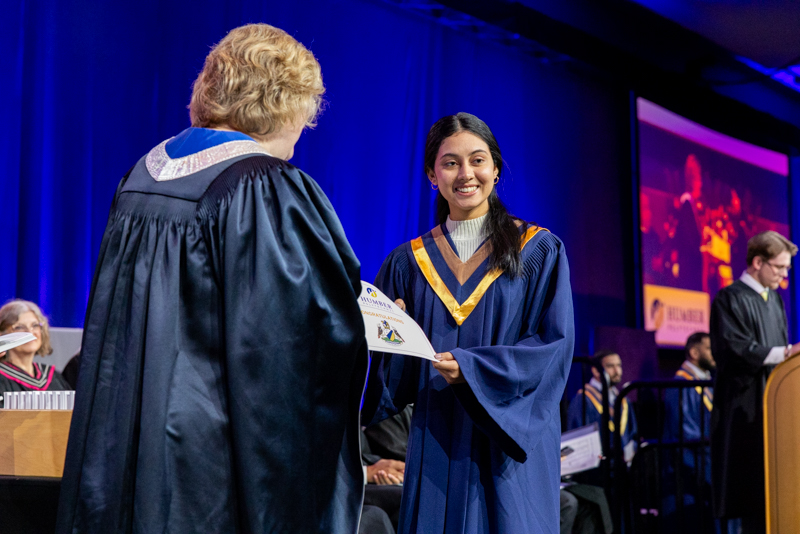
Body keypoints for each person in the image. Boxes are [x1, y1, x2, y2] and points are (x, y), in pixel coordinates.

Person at [56, 24, 368, 534]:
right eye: (307, 112)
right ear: (282, 101)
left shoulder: (141, 176)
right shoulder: (263, 186)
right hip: (207, 460)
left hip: (127, 439)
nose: (304, 129)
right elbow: (288, 344)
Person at [363, 112, 574, 533]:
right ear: (431, 174)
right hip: (437, 433)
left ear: (496, 169)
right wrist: (391, 334)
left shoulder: (538, 251)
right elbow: (391, 378)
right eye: (450, 162)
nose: (466, 174)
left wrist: (474, 370)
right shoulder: (408, 263)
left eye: (477, 160)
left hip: (509, 445)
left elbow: (552, 347)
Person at [710, 230, 797, 533]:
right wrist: (786, 352)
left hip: (774, 406)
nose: (784, 275)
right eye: (780, 267)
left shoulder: (774, 300)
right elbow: (732, 349)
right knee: (749, 491)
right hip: (742, 405)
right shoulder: (728, 298)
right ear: (758, 261)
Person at [662, 332, 715, 532]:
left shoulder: (705, 382)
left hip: (706, 464)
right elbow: (684, 431)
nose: (714, 354)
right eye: (709, 348)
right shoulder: (681, 384)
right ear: (694, 352)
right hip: (690, 470)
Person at [567, 350, 637, 459]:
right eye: (610, 366)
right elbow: (576, 438)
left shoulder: (623, 400)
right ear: (596, 370)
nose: (617, 371)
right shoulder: (583, 400)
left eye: (619, 365)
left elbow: (633, 434)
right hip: (596, 469)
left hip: (622, 468)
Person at [0, 299, 71, 404]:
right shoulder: (2, 377)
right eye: (19, 327)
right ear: (2, 334)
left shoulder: (53, 377)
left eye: (35, 325)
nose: (30, 332)